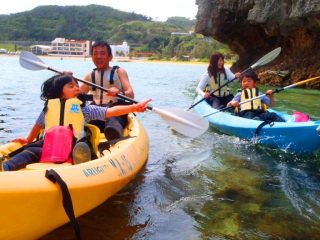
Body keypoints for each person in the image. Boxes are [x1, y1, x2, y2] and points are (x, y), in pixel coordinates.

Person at [1, 74, 151, 171]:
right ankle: (7, 167)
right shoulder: (49, 108)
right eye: (71, 86)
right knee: (31, 152)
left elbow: (110, 112)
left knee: (80, 147)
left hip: (72, 144)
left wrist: (134, 107)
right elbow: (38, 125)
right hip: (49, 146)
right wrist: (28, 140)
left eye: (77, 85)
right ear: (60, 92)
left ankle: (80, 160)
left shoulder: (84, 109)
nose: (77, 88)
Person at [80, 40, 134, 141]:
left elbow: (130, 94)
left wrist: (119, 93)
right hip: (96, 113)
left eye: (102, 53)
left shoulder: (119, 72)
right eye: (95, 54)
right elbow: (76, 95)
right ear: (92, 57)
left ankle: (113, 134)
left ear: (110, 57)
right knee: (86, 122)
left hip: (115, 111)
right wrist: (67, 80)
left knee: (113, 120)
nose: (98, 57)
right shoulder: (89, 76)